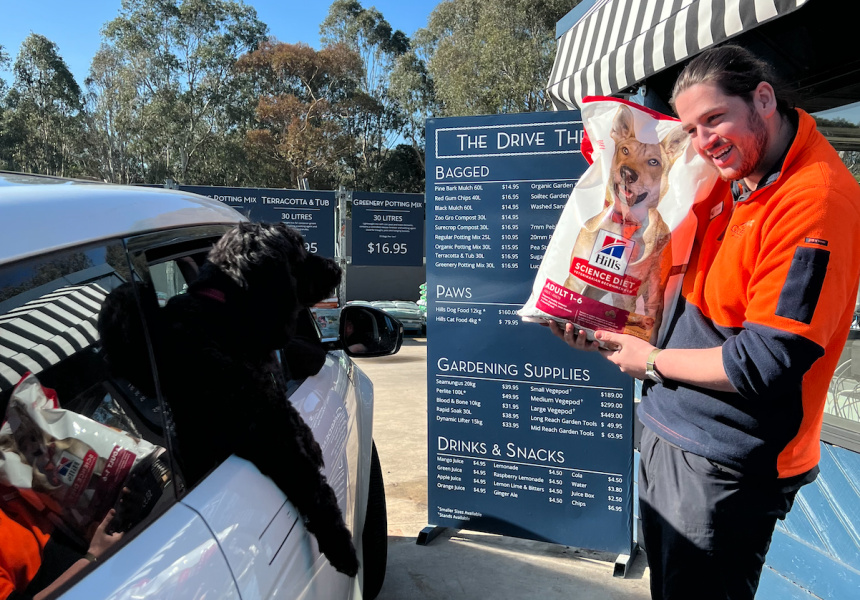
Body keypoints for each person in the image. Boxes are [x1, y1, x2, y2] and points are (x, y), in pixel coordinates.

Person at [550, 44, 860, 599]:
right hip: (670, 428)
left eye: (714, 118)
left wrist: (651, 361)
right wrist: (598, 317)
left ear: (763, 99)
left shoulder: (817, 201)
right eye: (691, 127)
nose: (703, 141)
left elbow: (767, 362)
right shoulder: (735, 174)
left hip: (723, 461)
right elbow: (665, 264)